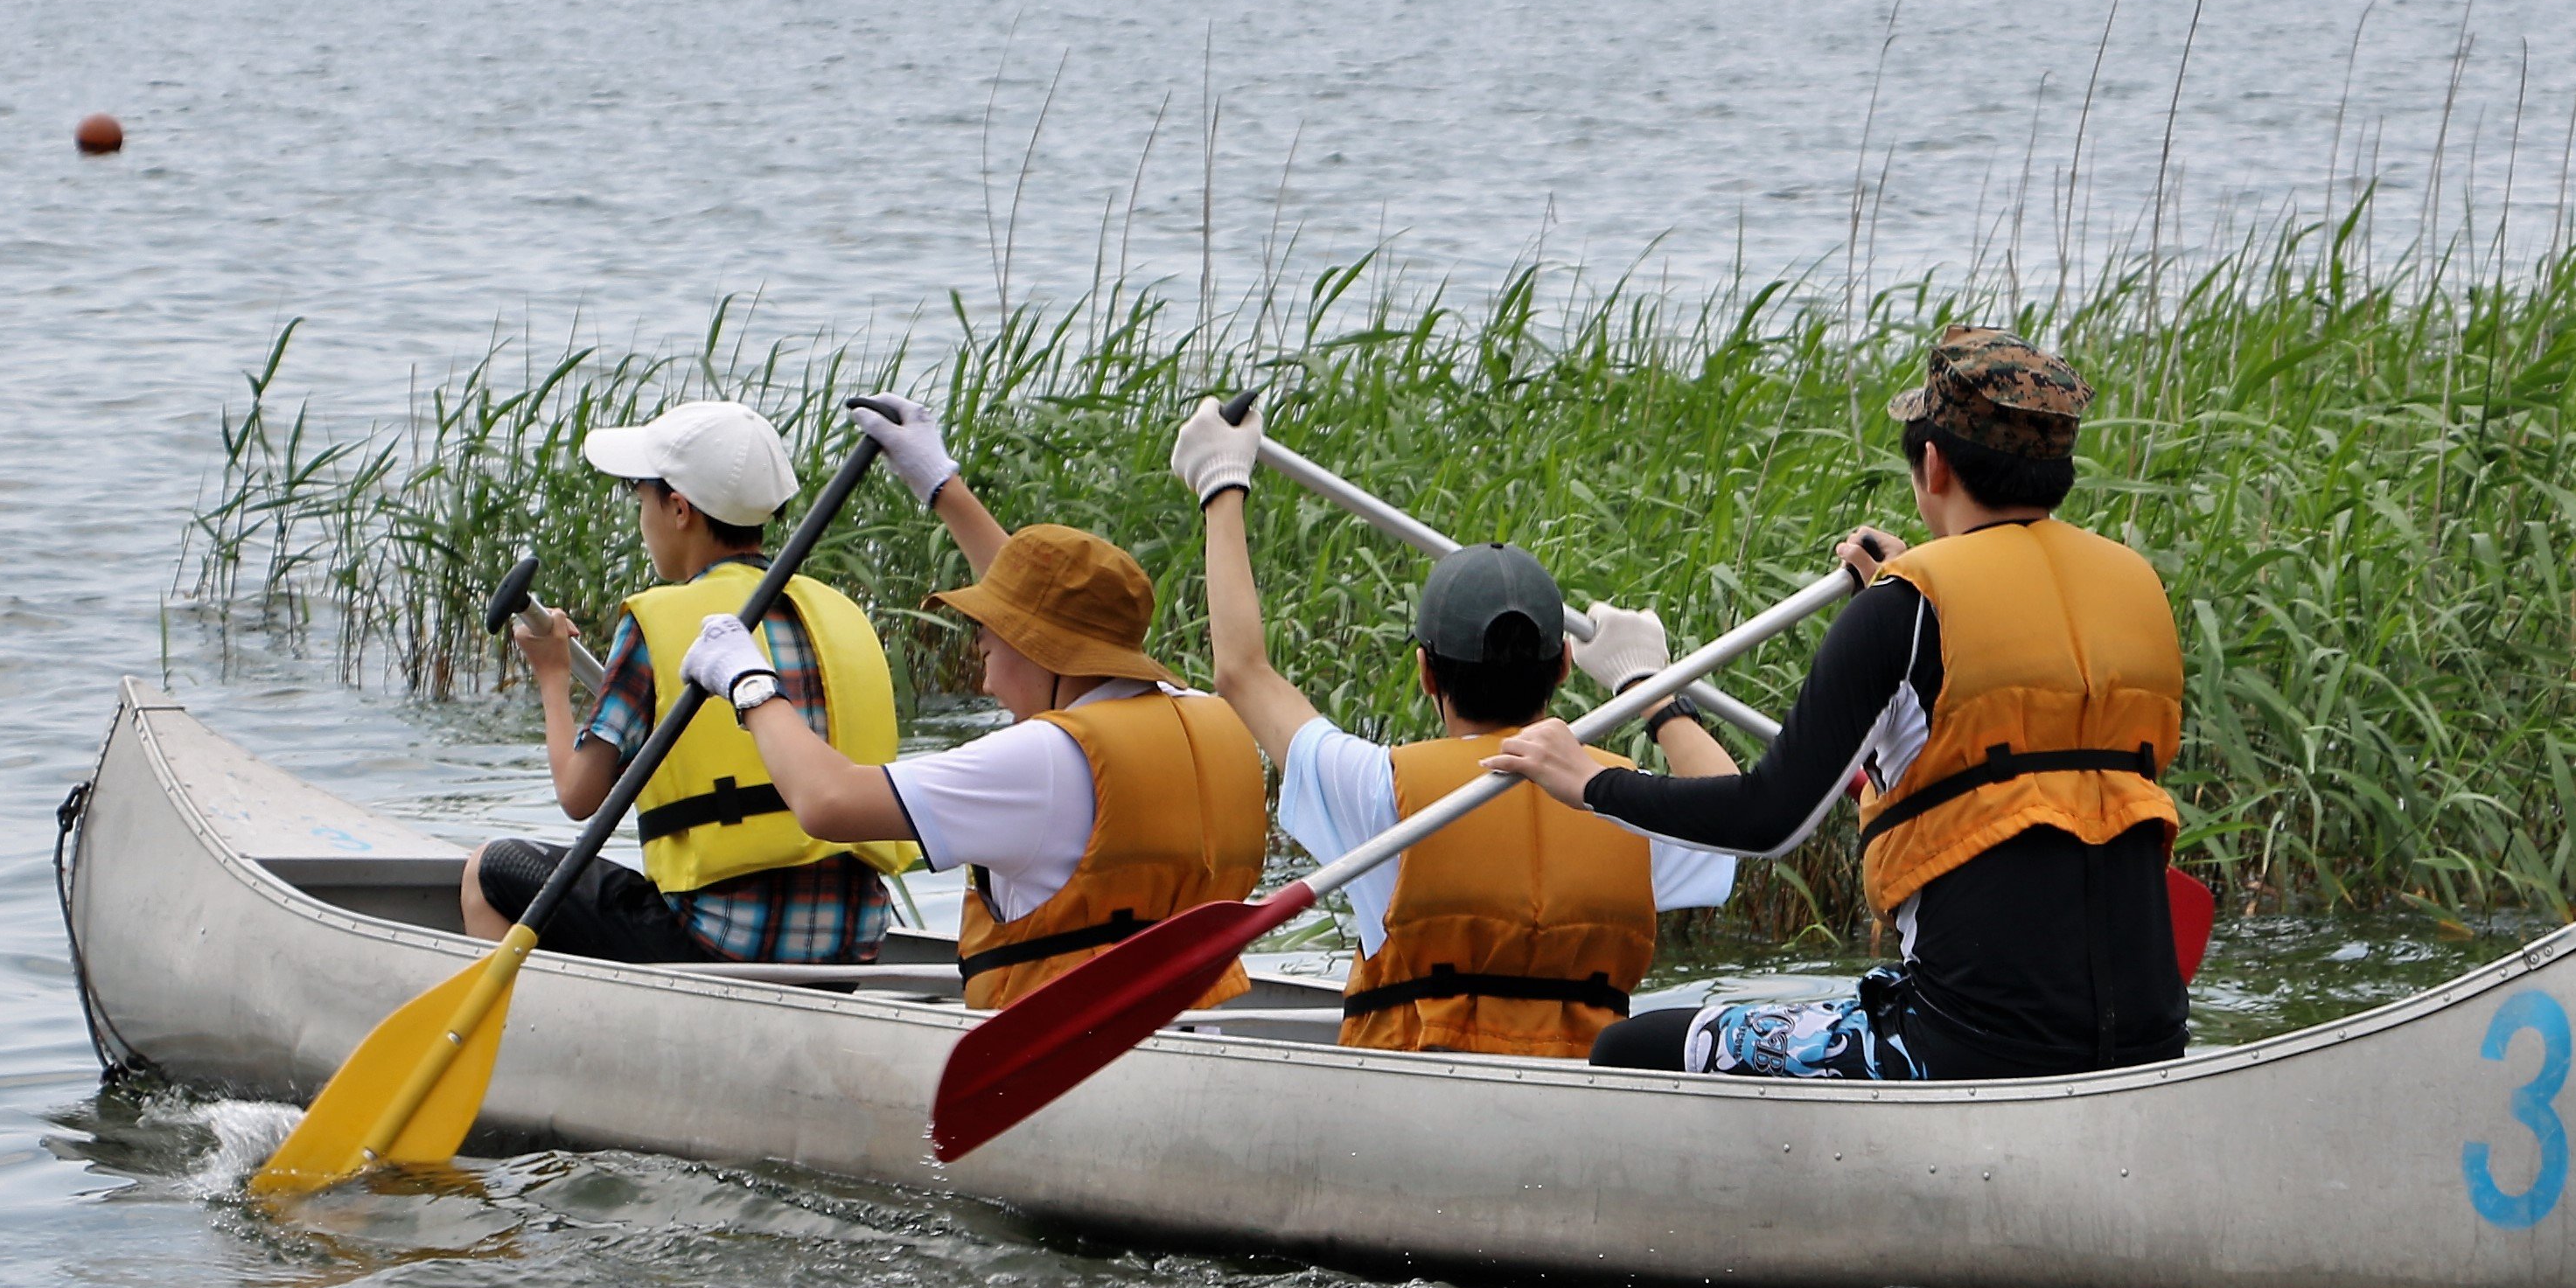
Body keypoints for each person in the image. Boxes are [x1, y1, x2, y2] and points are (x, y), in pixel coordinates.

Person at [1485, 327, 2186, 1083]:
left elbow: (1768, 821)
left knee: (1632, 1046)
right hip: (2151, 1031)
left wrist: (1585, 782)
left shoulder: (1902, 612)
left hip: (1970, 1045)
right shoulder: (2134, 591)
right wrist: (1914, 570)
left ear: (1933, 463)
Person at [1167, 395, 1741, 1059]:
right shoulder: (1625, 801)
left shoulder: (1379, 792)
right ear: (1562, 666)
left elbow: (1241, 671)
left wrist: (1220, 483)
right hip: (1586, 1104)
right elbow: (1728, 806)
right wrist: (1648, 687)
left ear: (1426, 674)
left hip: (1420, 1102)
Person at [678, 393, 1271, 1011]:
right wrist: (940, 485)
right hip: (1189, 1028)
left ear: (1036, 648)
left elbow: (827, 804)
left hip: (1058, 1053)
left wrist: (749, 683)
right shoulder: (1198, 713)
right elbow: (1050, 618)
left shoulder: (1044, 760)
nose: (984, 677)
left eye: (986, 648)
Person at [464, 398, 918, 965]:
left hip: (719, 942)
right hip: (853, 946)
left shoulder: (660, 620)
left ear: (678, 509)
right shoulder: (842, 614)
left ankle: (517, 1042)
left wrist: (553, 676)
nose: (641, 520)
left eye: (641, 501)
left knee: (488, 869)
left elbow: (579, 796)